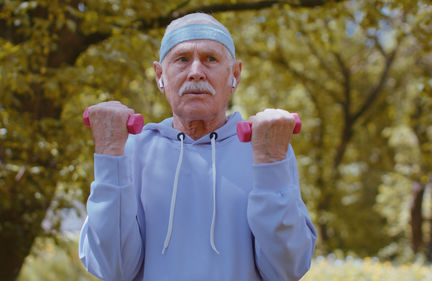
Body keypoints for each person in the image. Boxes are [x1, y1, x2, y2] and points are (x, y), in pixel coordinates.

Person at [79, 12, 316, 281]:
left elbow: (286, 269)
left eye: (210, 59)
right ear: (160, 75)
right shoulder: (131, 149)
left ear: (234, 75)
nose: (195, 73)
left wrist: (271, 159)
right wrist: (109, 155)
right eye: (182, 59)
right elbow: (113, 269)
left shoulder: (265, 146)